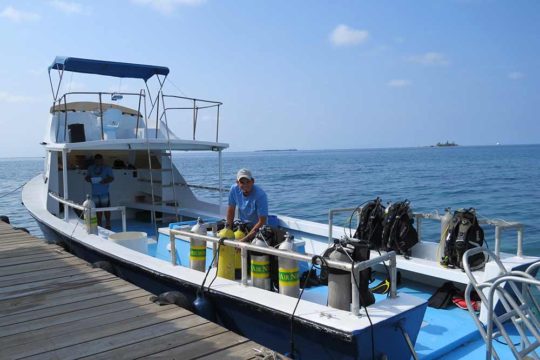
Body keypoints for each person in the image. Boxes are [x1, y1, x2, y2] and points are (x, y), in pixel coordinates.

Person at [226, 168, 268, 242]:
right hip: (242, 225)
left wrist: (244, 239)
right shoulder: (234, 189)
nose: (245, 185)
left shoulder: (260, 195)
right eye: (242, 182)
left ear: (253, 181)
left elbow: (262, 221)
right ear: (237, 182)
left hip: (257, 228)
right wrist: (228, 230)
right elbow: (231, 210)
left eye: (248, 182)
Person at [85, 154, 114, 229]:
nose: (98, 161)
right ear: (95, 160)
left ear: (102, 160)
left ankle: (108, 224)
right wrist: (90, 179)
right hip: (94, 193)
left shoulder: (107, 168)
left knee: (106, 209)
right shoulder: (90, 168)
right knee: (97, 209)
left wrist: (105, 181)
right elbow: (87, 177)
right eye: (96, 160)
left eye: (99, 160)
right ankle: (99, 224)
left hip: (104, 192)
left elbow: (111, 178)